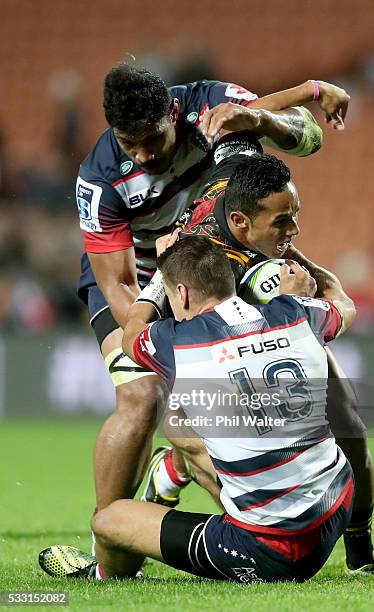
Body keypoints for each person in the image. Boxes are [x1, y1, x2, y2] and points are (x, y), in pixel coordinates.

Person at [75, 60, 350, 514]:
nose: (144, 155)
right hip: (143, 280)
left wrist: (300, 97)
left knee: (243, 397)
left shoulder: (205, 105)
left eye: (153, 139)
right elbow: (119, 284)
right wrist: (175, 354)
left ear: (174, 114)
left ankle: (188, 481)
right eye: (130, 144)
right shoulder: (100, 179)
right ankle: (108, 537)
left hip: (213, 271)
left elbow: (299, 136)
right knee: (142, 398)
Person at [141, 152, 374, 575]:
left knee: (351, 428)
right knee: (216, 446)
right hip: (214, 343)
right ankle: (231, 524)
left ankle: (361, 554)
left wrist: (284, 106)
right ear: (241, 223)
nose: (294, 230)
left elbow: (234, 125)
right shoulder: (201, 253)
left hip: (278, 324)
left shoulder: (238, 177)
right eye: (283, 222)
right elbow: (182, 316)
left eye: (294, 216)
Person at [39, 236, 356, 582]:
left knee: (108, 521)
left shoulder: (180, 341)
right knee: (187, 422)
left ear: (183, 294)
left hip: (273, 551)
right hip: (337, 503)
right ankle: (172, 473)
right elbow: (343, 301)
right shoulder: (295, 312)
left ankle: (104, 574)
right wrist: (295, 260)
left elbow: (131, 334)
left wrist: (160, 278)